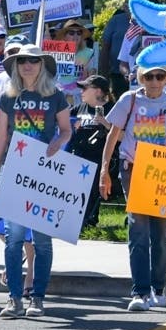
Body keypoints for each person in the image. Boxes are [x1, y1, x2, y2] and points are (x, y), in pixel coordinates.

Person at [0, 45, 72, 318]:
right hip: (14, 170)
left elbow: (66, 130)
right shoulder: (7, 97)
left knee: (42, 241)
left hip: (44, 172)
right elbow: (0, 137)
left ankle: (37, 298)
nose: (27, 65)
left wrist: (58, 141)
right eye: (22, 60)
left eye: (33, 60)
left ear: (42, 65)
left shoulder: (55, 96)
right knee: (13, 239)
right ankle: (14, 298)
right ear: (15, 66)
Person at [99, 62, 166, 311]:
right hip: (133, 169)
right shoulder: (129, 100)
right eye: (149, 76)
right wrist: (105, 170)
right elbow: (113, 135)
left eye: (160, 76)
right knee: (138, 231)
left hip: (162, 173)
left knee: (161, 234)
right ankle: (139, 291)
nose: (154, 81)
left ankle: (158, 287)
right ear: (141, 78)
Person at [68, 75, 114, 227]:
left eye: (85, 88)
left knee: (92, 189)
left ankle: (88, 220)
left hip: (98, 158)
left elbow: (122, 134)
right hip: (77, 155)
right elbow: (64, 123)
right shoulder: (79, 108)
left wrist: (106, 124)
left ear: (98, 91)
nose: (81, 91)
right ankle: (72, 220)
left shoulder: (111, 109)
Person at [98, 0, 142, 97]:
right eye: (131, 5)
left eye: (138, 5)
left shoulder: (152, 26)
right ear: (125, 6)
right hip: (119, 75)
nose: (134, 9)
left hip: (149, 77)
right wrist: (104, 76)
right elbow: (105, 47)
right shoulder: (116, 21)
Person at [55, 19, 97, 103]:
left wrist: (89, 74)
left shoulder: (88, 53)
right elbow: (51, 77)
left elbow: (92, 75)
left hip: (80, 96)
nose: (75, 36)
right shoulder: (56, 53)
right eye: (71, 33)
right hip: (60, 96)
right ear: (65, 36)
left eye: (79, 33)